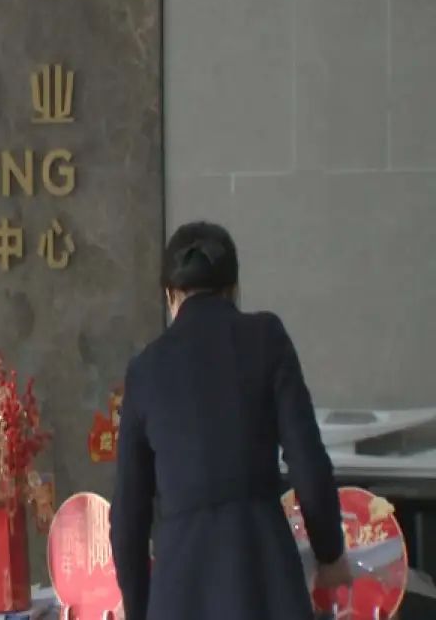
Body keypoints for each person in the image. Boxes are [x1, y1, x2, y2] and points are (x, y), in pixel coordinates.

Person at [110, 221, 351, 620]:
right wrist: (330, 554)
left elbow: (127, 518)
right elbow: (308, 462)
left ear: (170, 296)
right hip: (266, 584)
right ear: (234, 289)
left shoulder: (145, 369)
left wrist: (140, 609)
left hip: (180, 595)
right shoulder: (267, 338)